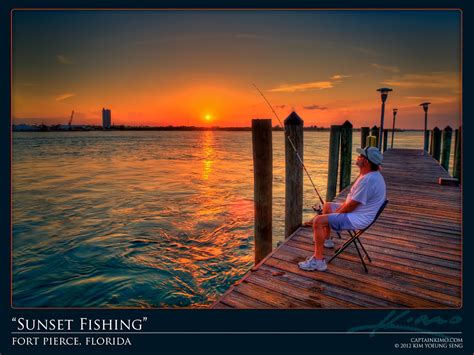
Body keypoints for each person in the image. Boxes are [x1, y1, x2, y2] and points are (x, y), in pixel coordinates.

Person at [298, 146, 386, 272]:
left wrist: (335, 215)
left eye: (361, 156)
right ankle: (327, 240)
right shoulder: (370, 175)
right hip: (358, 212)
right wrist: (334, 212)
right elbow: (351, 202)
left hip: (357, 218)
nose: (358, 157)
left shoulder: (369, 180)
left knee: (318, 221)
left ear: (366, 162)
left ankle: (318, 261)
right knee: (327, 205)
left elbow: (351, 206)